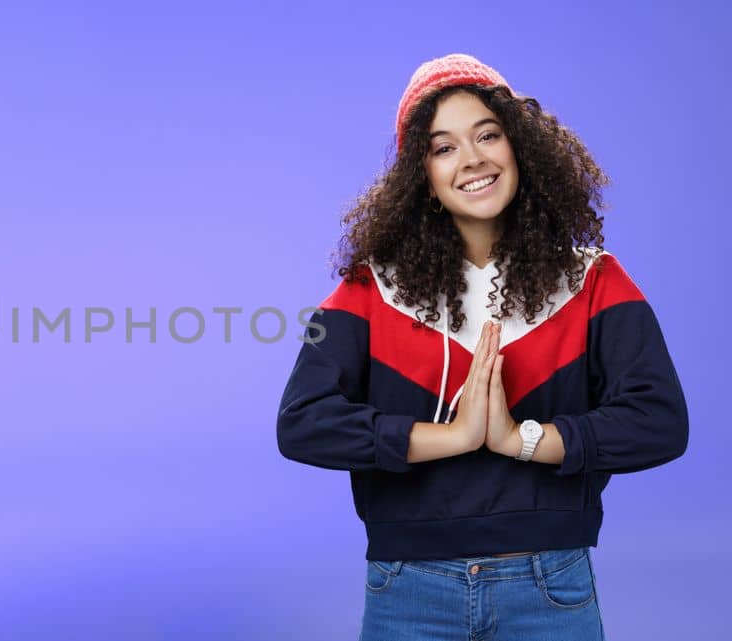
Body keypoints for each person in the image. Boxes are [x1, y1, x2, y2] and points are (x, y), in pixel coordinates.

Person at [275, 53, 690, 640]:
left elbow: (660, 421)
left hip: (549, 586)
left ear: (521, 147)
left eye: (488, 135)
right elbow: (301, 423)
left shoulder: (595, 282)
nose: (471, 159)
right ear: (422, 177)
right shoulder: (369, 292)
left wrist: (523, 440)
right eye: (443, 147)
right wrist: (451, 438)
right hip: (408, 588)